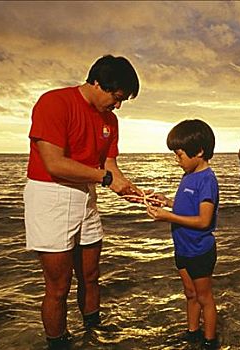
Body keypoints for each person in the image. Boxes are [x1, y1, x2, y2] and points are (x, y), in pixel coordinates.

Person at [23, 55, 143, 349]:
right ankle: (59, 343)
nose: (118, 106)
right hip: (50, 195)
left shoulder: (110, 120)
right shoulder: (54, 103)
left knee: (91, 275)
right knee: (58, 286)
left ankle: (94, 333)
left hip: (86, 195)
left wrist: (132, 191)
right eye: (117, 98)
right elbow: (54, 164)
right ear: (98, 83)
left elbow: (110, 166)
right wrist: (103, 178)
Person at [146, 119, 220, 350]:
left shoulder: (207, 180)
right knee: (190, 293)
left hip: (199, 250)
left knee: (204, 297)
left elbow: (203, 220)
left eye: (179, 155)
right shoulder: (188, 174)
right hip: (183, 248)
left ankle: (209, 341)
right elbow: (186, 205)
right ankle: (192, 333)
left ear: (198, 151)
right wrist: (167, 201)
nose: (177, 160)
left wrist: (167, 216)